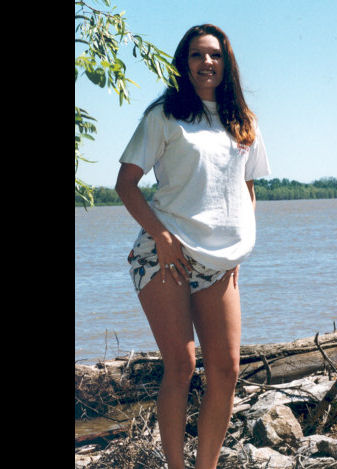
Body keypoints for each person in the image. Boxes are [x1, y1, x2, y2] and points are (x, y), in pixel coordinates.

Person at [115, 23, 270, 469]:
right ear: (184, 63)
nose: (207, 62)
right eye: (198, 55)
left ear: (227, 63)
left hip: (220, 262)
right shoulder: (164, 115)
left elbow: (246, 187)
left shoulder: (243, 121)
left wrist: (239, 246)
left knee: (226, 369)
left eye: (215, 55)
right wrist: (163, 238)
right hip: (166, 254)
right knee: (181, 366)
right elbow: (126, 184)